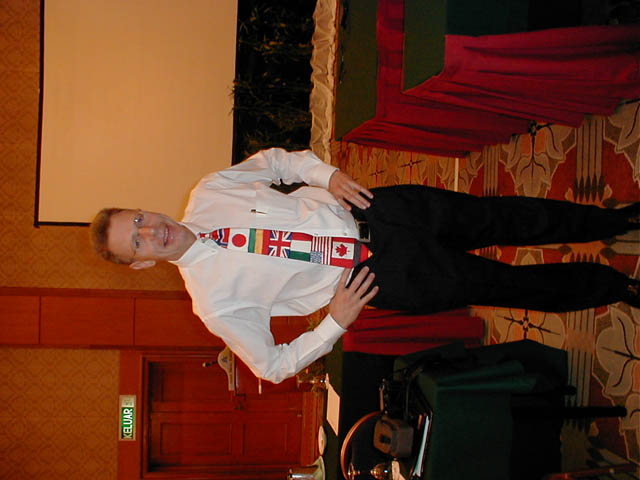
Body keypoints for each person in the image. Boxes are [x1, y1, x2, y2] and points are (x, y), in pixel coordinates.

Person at [91, 148, 640, 383]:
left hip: (379, 209)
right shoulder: (213, 303)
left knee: (503, 217)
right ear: (140, 265)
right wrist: (333, 323)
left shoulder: (209, 191)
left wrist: (324, 175)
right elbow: (272, 366)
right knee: (509, 285)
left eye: (139, 219)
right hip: (376, 279)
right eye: (137, 243)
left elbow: (277, 162)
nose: (151, 231)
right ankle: (615, 285)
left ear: (145, 208)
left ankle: (611, 222)